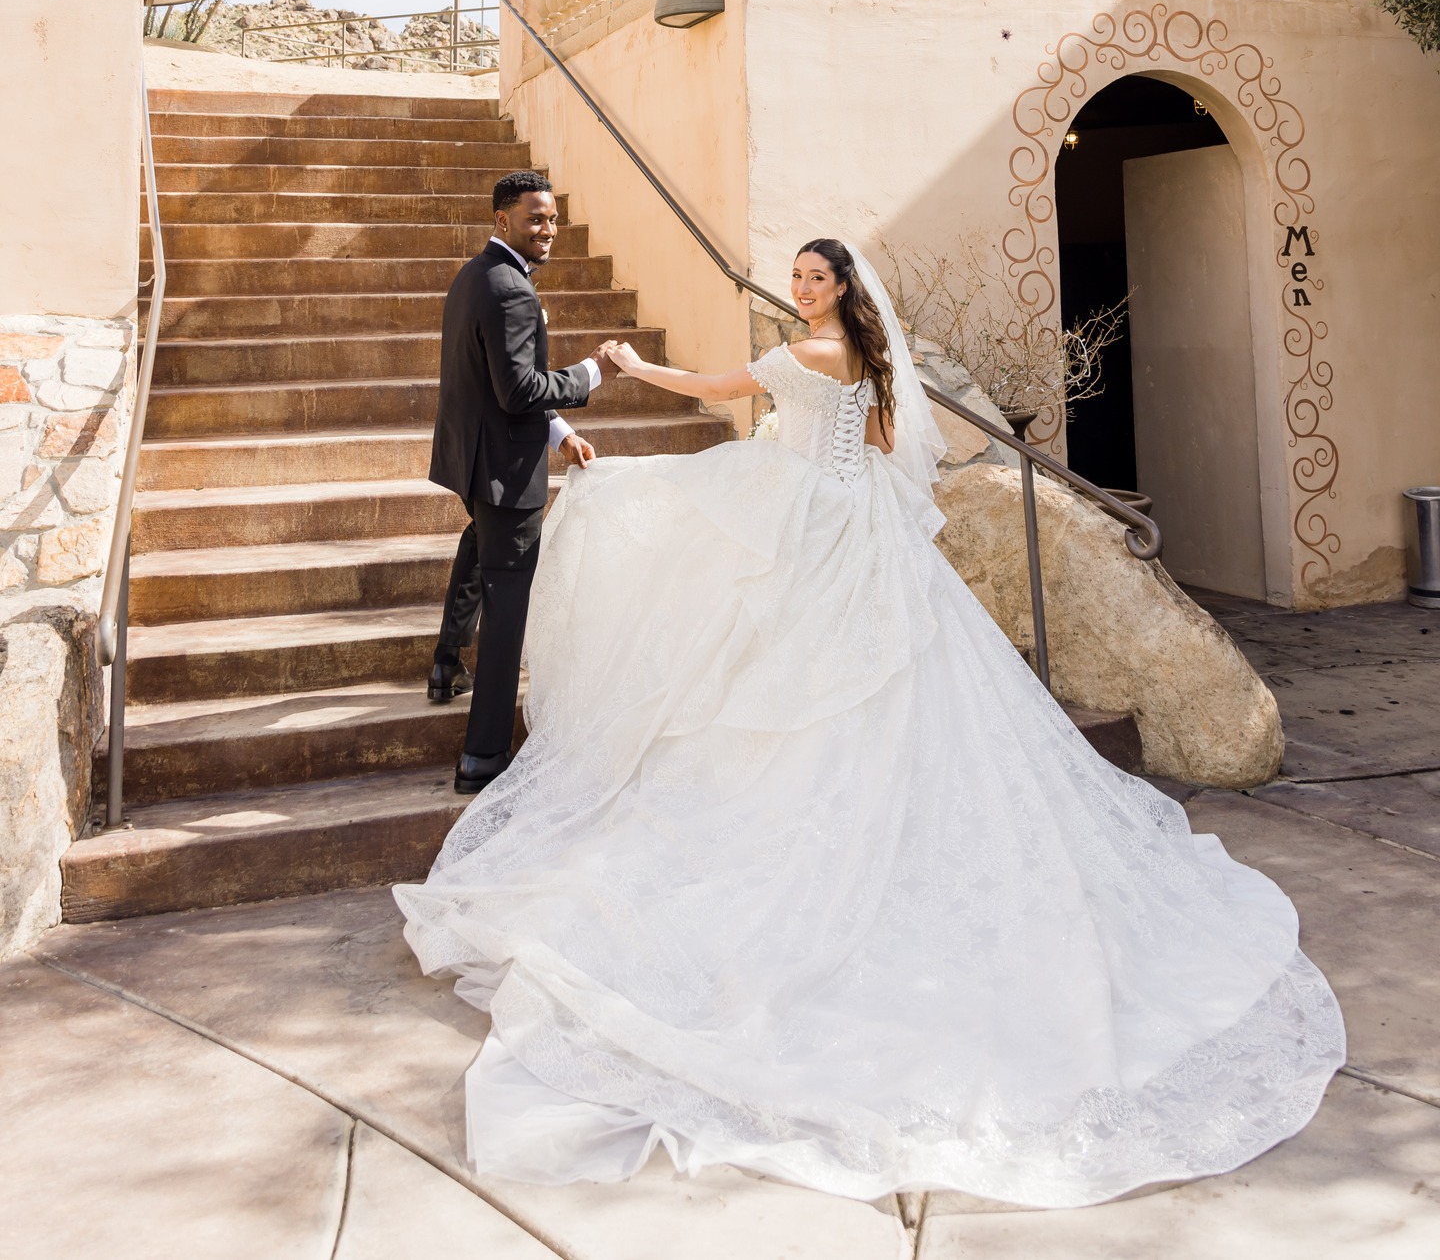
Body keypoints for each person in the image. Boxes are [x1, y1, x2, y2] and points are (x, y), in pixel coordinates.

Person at [396, 238, 1344, 1207]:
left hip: (815, 523)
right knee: (849, 680)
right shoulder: (867, 353)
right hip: (858, 523)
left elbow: (714, 383)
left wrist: (636, 368)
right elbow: (889, 445)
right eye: (798, 277)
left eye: (816, 278)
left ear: (844, 287)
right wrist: (821, 449)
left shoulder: (806, 353)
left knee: (742, 617)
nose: (802, 289)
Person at [426, 169, 605, 795]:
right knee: (509, 609)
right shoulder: (511, 291)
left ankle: (446, 666)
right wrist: (590, 373)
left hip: (477, 459)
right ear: (504, 221)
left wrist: (559, 436)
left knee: (479, 546)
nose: (548, 228)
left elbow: (502, 378)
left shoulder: (476, 275)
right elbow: (521, 387)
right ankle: (482, 758)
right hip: (503, 469)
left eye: (553, 217)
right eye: (536, 218)